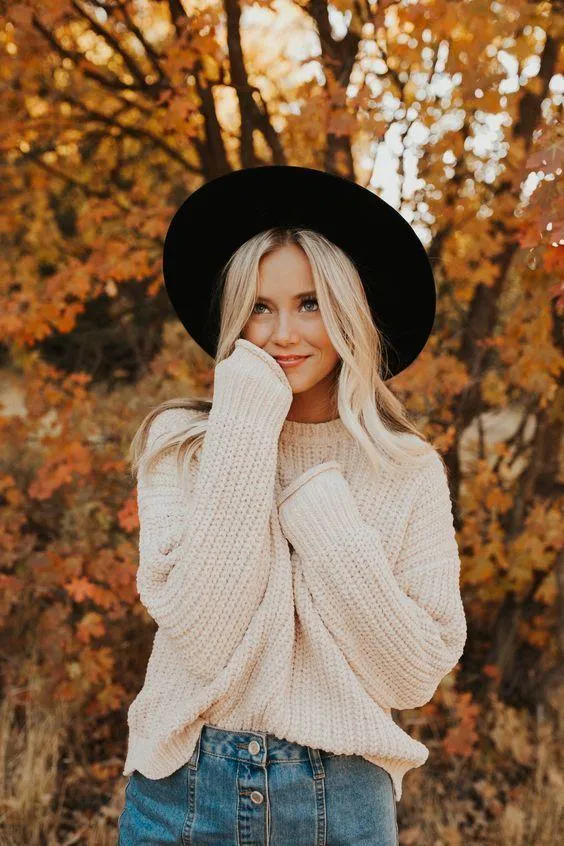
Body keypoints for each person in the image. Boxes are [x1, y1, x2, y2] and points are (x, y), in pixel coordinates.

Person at [118, 166, 467, 845]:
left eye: (309, 304)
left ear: (345, 312)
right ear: (233, 315)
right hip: (184, 790)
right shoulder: (182, 445)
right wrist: (246, 420)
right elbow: (205, 632)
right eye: (259, 305)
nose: (284, 333)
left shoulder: (407, 468)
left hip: (343, 801)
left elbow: (413, 673)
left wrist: (322, 517)